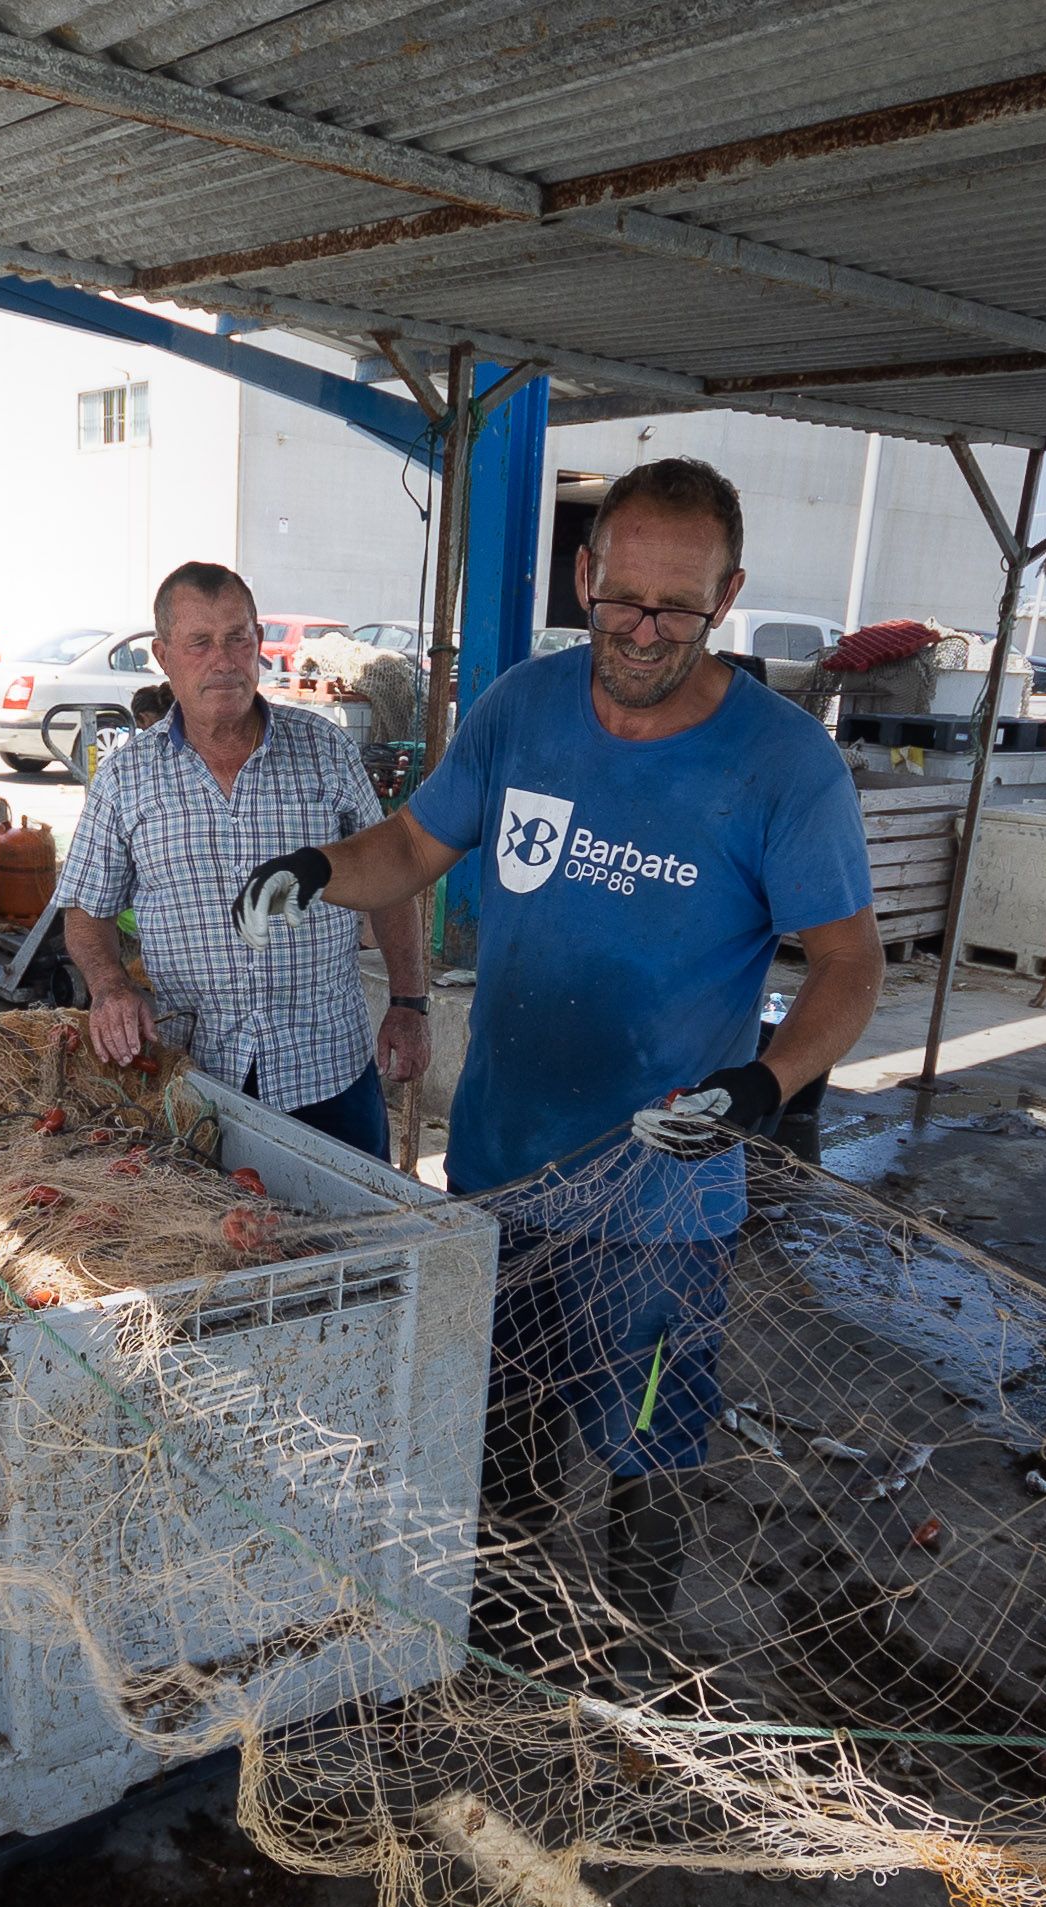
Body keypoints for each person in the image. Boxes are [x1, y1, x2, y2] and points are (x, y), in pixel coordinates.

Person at [226, 457, 883, 1659]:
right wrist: (318, 870)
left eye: (673, 609)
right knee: (504, 1435)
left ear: (724, 596)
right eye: (620, 597)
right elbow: (413, 847)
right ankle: (503, 1652)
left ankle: (629, 1674)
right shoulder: (522, 707)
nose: (640, 630)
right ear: (583, 574)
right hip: (500, 1180)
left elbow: (850, 966)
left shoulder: (784, 763)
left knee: (647, 1452)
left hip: (662, 1206)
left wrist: (765, 1083)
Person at [55, 560, 429, 1159]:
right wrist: (109, 987)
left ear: (259, 643)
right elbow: (86, 911)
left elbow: (389, 882)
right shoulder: (126, 778)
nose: (223, 660)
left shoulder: (325, 751)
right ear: (163, 656)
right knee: (212, 1247)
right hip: (196, 1081)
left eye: (237, 638)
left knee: (360, 1242)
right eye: (199, 643)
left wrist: (409, 1002)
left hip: (327, 1067)